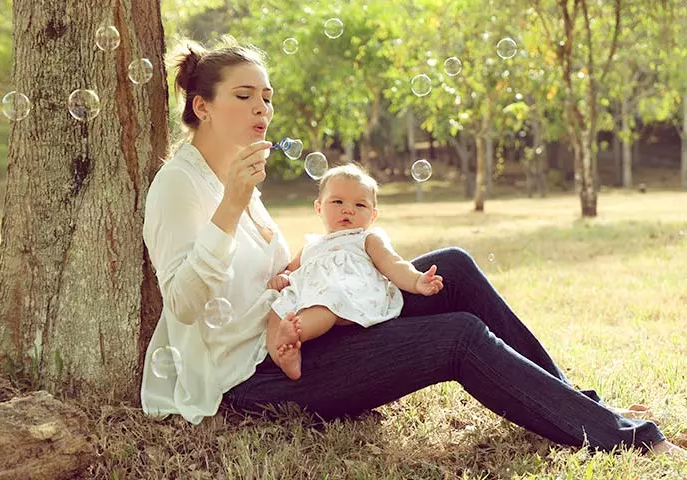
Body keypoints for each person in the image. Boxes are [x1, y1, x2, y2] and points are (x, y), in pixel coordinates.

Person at [140, 35, 686, 459]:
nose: (262, 108)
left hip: (298, 331)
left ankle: (575, 405)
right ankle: (622, 436)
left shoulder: (238, 177)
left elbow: (273, 272)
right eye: (244, 96)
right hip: (253, 378)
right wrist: (234, 201)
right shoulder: (179, 186)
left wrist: (346, 260)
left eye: (267, 97)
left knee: (453, 265)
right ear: (201, 106)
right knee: (458, 337)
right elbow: (185, 305)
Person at [265, 163, 444, 381]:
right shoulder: (311, 245)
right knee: (278, 308)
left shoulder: (366, 239)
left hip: (347, 292)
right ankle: (284, 355)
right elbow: (292, 269)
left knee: (329, 300)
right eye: (337, 201)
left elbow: (393, 264)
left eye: (360, 205)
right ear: (319, 208)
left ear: (373, 216)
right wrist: (283, 278)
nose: (348, 209)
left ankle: (296, 334)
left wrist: (416, 280)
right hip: (309, 293)